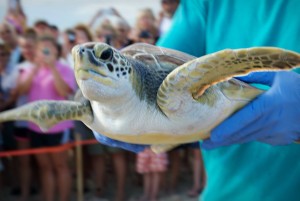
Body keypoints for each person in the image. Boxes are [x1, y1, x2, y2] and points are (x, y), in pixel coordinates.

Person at [93, 0, 300, 200]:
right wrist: (110, 99)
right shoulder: (204, 3)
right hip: (228, 187)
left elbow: (177, 78)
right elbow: (153, 67)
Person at [18, 36, 75, 201]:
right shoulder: (31, 70)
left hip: (59, 126)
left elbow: (64, 92)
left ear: (56, 51)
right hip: (35, 127)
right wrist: (35, 69)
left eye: (48, 49)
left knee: (60, 166)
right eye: (42, 49)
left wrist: (53, 68)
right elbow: (21, 91)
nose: (45, 52)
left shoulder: (64, 69)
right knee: (44, 167)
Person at [14, 28, 38, 201]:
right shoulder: (20, 68)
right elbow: (20, 91)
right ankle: (24, 194)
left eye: (29, 46)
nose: (26, 50)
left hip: (40, 122)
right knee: (24, 162)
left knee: (42, 162)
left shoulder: (49, 65)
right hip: (22, 122)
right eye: (23, 47)